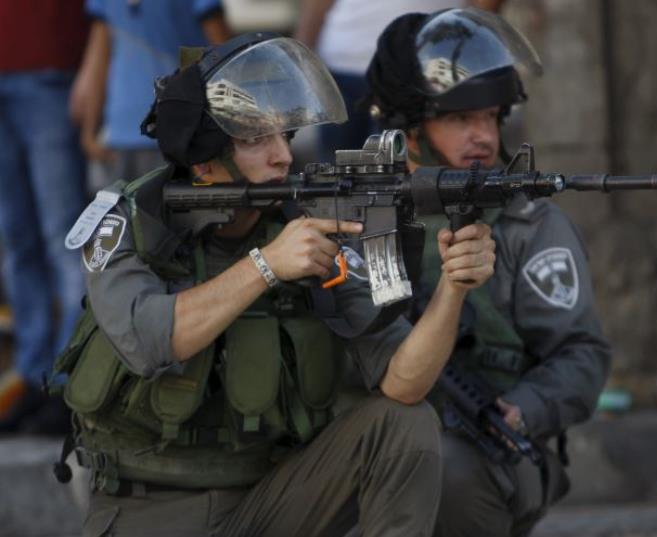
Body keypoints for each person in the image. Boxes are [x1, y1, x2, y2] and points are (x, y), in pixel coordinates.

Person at [57, 32, 496, 537]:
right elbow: (149, 340)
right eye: (255, 139)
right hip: (149, 513)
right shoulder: (130, 220)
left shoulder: (301, 227)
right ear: (204, 161)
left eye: (284, 136)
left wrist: (453, 287)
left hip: (268, 502)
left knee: (404, 424)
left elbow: (403, 380)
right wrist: (265, 266)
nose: (283, 156)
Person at [363, 8, 612, 536]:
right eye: (460, 118)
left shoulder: (527, 223)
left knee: (444, 472)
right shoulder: (361, 214)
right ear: (408, 130)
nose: (483, 137)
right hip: (376, 435)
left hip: (488, 446)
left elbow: (582, 354)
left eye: (491, 117)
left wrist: (521, 409)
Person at [0, 0, 90, 434]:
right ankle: (34, 379)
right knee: (19, 239)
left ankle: (67, 383)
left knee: (64, 237)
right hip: (19, 72)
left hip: (50, 71)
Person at [294, 0, 505, 162]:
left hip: (427, 72)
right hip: (342, 64)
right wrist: (301, 54)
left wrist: (467, 45)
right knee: (335, 178)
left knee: (408, 177)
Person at [71, 0, 231, 193]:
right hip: (163, 129)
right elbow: (224, 56)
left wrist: (90, 129)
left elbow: (98, 55)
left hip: (152, 130)